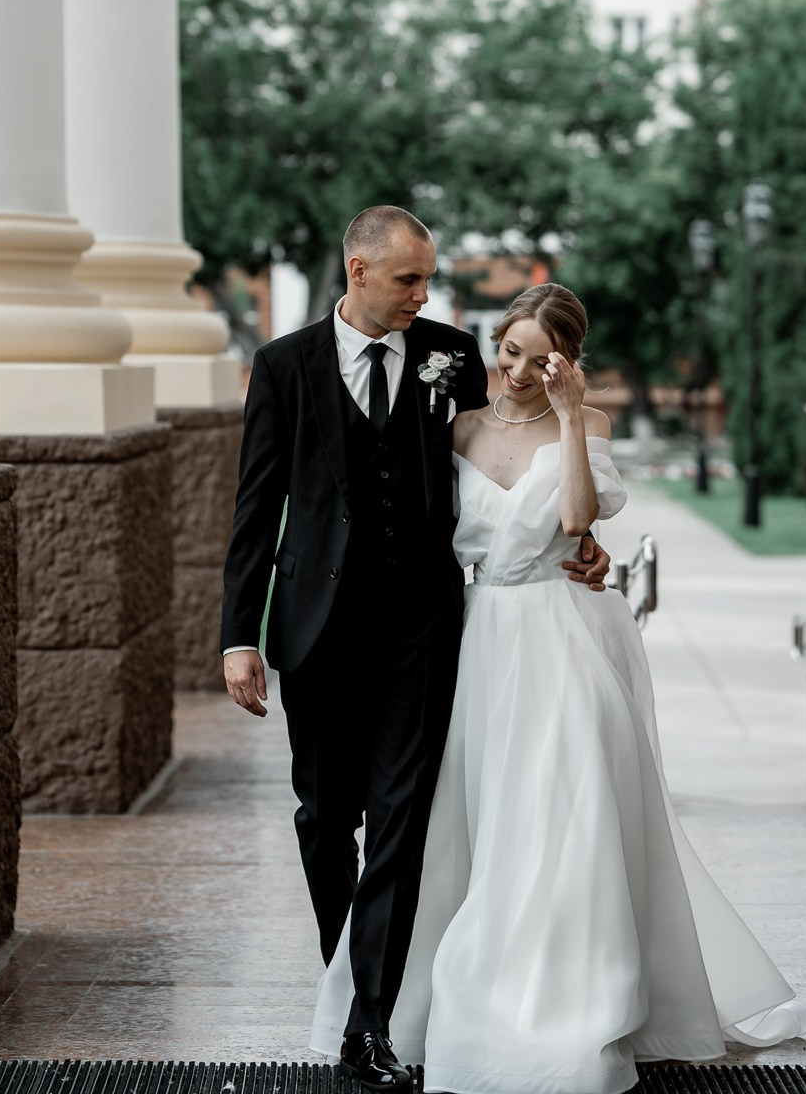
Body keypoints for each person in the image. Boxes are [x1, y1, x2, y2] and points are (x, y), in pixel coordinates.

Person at [311, 281, 806, 1093]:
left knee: (564, 817)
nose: (519, 371)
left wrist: (573, 419)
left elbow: (579, 520)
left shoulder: (588, 424)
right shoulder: (455, 426)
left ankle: (573, 1001)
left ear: (568, 364)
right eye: (510, 352)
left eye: (541, 361)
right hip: (479, 638)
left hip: (566, 636)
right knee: (481, 819)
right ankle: (450, 994)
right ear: (494, 345)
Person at [221, 210, 612, 1091]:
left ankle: (371, 1021)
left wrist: (576, 541)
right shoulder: (284, 368)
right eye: (408, 281)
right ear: (358, 271)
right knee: (327, 820)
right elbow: (256, 508)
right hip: (315, 632)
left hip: (423, 631)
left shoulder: (447, 354)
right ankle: (345, 967)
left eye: (427, 281)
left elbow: (504, 457)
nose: (424, 296)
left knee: (401, 825)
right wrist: (237, 635)